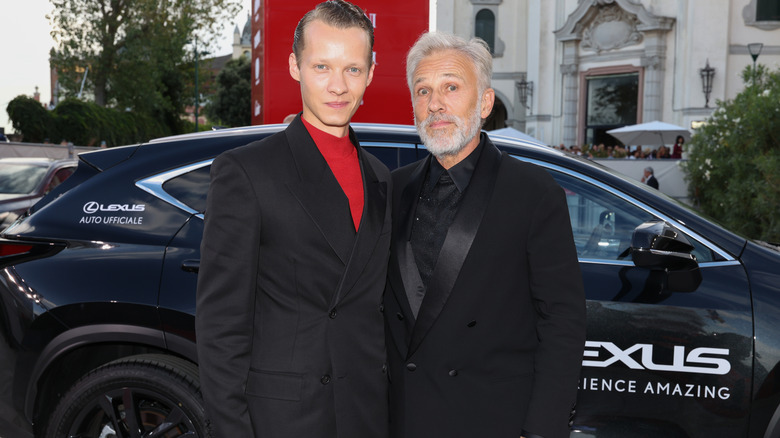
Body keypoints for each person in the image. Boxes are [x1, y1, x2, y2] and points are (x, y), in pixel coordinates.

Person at [196, 2, 391, 437]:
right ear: (294, 66)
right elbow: (220, 327)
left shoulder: (380, 177)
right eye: (322, 66)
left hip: (365, 415)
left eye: (352, 69)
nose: (338, 86)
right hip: (285, 419)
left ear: (371, 74)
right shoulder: (247, 172)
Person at [383, 31, 586, 438]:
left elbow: (562, 321)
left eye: (451, 87)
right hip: (401, 418)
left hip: (492, 420)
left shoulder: (532, 192)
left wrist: (544, 428)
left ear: (485, 102)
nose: (435, 104)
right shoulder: (392, 188)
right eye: (423, 91)